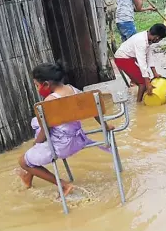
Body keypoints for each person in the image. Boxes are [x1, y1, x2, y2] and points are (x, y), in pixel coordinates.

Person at [17, 61, 114, 196]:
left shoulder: (49, 101)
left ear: (46, 84)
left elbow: (46, 131)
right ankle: (28, 177)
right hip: (79, 140)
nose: (37, 88)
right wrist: (105, 125)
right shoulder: (73, 90)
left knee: (23, 161)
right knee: (36, 137)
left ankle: (63, 185)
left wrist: (36, 143)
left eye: (36, 85)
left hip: (61, 146)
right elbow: (93, 108)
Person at [114, 23, 166, 102]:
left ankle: (137, 88)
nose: (159, 41)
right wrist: (147, 82)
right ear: (157, 37)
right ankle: (139, 103)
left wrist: (155, 73)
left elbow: (149, 56)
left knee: (145, 78)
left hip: (130, 57)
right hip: (122, 58)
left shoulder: (147, 38)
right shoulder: (141, 41)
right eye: (160, 39)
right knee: (143, 82)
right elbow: (142, 62)